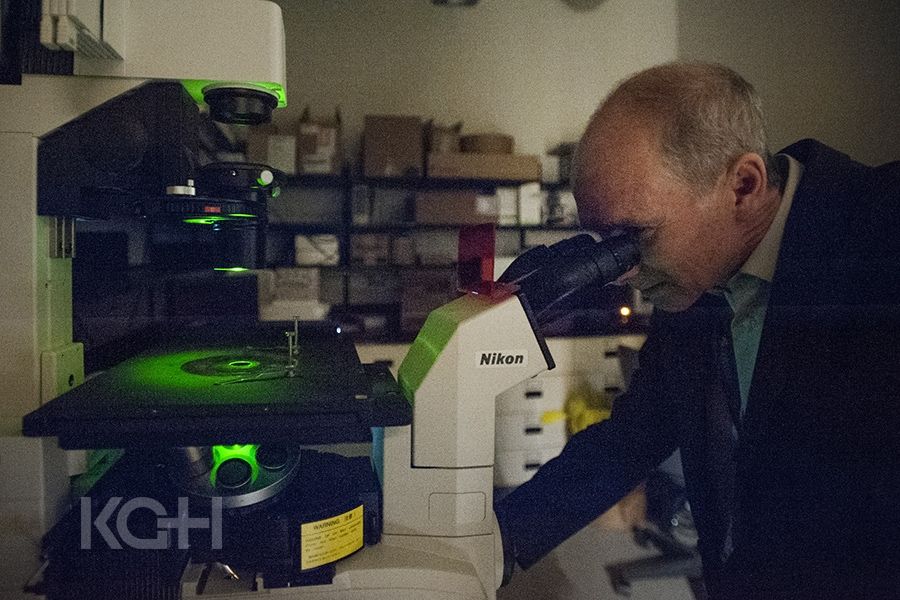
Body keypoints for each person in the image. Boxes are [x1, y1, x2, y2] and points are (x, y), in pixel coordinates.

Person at [494, 62, 900, 600]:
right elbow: (636, 433)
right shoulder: (699, 276)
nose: (623, 270)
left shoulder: (881, 233)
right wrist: (498, 537)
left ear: (743, 186)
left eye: (634, 237)